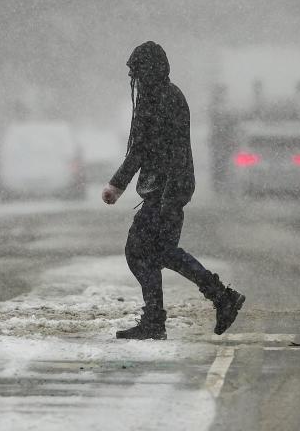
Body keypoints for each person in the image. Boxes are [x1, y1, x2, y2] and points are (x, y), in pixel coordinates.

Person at [102, 41, 245, 340]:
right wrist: (119, 184)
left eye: (138, 73)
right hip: (165, 188)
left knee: (141, 251)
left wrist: (160, 194)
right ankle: (217, 298)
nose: (135, 80)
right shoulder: (161, 97)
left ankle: (164, 316)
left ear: (150, 71)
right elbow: (144, 149)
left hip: (168, 188)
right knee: (158, 251)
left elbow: (161, 150)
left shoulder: (163, 100)